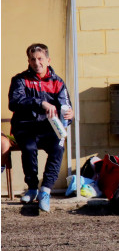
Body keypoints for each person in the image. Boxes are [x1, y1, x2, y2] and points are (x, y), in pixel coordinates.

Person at [8, 43, 75, 212]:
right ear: (28, 61)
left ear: (48, 60)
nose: (36, 63)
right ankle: (31, 189)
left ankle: (45, 190)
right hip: (25, 127)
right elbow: (15, 103)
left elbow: (65, 105)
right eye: (32, 59)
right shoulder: (20, 80)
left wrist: (69, 115)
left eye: (40, 59)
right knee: (29, 148)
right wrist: (41, 103)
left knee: (58, 147)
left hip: (48, 128)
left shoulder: (58, 82)